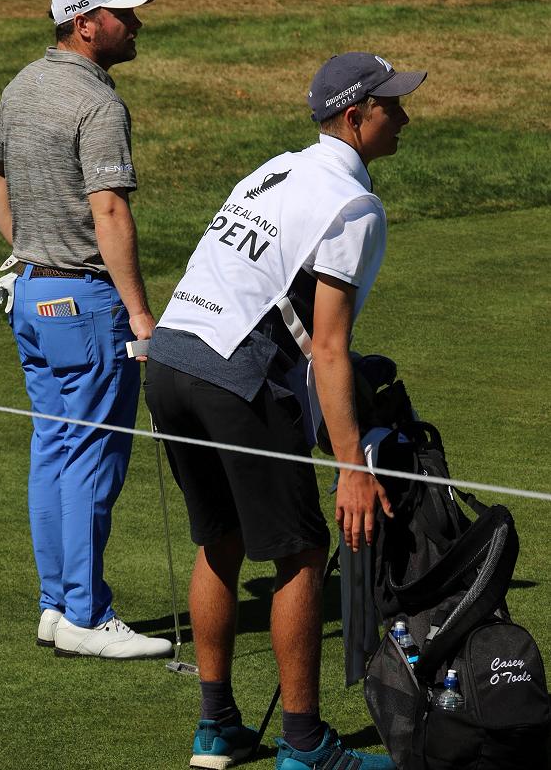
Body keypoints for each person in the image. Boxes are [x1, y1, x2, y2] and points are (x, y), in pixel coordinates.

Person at [145, 52, 428, 769]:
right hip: (233, 380)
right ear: (353, 116)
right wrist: (349, 470)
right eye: (391, 105)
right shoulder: (353, 205)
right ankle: (304, 746)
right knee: (301, 553)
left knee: (223, 540)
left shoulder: (276, 165)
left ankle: (217, 728)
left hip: (171, 360)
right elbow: (327, 348)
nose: (403, 115)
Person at [0, 0, 172, 661]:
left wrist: (27, 245)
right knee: (89, 457)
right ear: (85, 24)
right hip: (85, 305)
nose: (137, 22)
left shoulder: (24, 82)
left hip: (34, 294)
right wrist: (141, 316)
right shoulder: (99, 105)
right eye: (123, 14)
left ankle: (57, 605)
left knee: (55, 451)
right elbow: (109, 207)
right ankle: (85, 613)